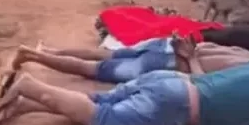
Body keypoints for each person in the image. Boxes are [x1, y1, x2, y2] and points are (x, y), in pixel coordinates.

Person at [0, 37, 249, 125]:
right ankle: (32, 86)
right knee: (101, 118)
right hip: (178, 105)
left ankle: (27, 104)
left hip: (171, 82)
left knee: (100, 98)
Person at [11, 38, 182, 84]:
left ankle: (46, 52)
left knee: (99, 54)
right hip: (163, 63)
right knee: (88, 67)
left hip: (165, 48)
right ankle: (31, 54)